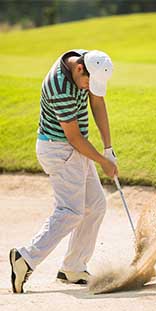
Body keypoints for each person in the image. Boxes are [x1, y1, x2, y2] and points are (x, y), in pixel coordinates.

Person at [9, 49, 118, 293]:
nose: (90, 87)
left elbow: (97, 101)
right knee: (71, 211)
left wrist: (108, 147)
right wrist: (102, 160)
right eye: (89, 82)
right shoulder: (60, 87)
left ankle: (73, 267)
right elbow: (74, 137)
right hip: (59, 149)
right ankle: (24, 258)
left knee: (96, 205)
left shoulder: (87, 61)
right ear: (80, 69)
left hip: (75, 149)